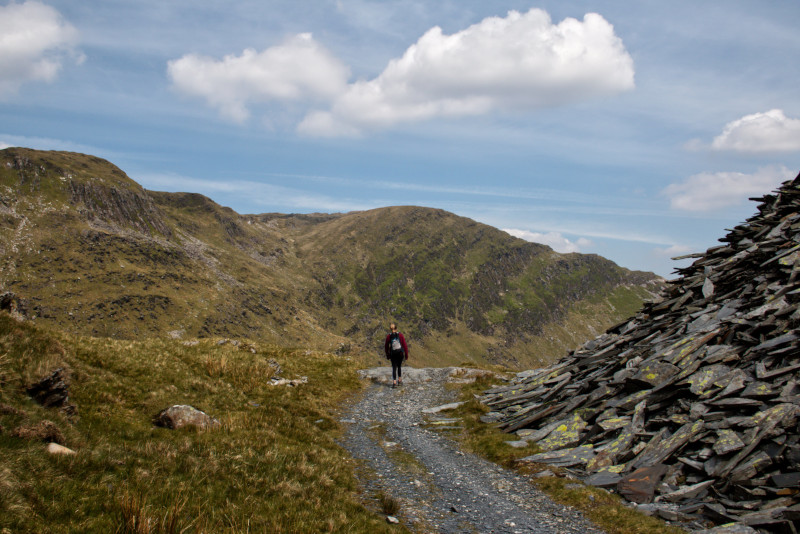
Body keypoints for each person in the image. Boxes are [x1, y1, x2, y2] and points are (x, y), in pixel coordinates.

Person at [384, 323, 408, 388]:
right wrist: (406, 354)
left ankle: (394, 382)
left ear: (390, 329)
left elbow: (386, 346)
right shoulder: (400, 335)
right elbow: (404, 345)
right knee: (399, 366)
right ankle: (399, 381)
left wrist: (387, 354)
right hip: (400, 353)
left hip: (393, 353)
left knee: (394, 367)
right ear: (396, 328)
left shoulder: (389, 336)